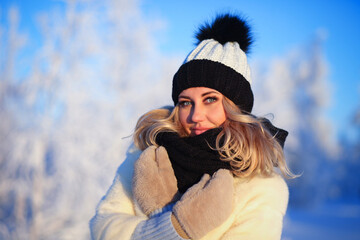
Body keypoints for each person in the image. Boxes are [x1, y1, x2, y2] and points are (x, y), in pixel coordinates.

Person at [90, 13, 295, 240]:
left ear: (236, 107)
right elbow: (102, 225)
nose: (196, 115)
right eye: (186, 102)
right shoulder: (148, 156)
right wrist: (170, 229)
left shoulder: (261, 187)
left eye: (210, 99)